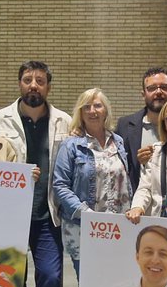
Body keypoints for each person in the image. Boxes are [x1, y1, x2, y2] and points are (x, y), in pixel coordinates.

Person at [0, 61, 72, 287]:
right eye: (27, 80)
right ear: (19, 84)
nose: (33, 85)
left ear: (48, 86)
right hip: (10, 213)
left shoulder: (64, 121)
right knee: (11, 279)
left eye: (40, 80)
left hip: (47, 214)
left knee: (50, 278)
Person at [53, 88, 133, 277]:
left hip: (118, 228)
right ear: (80, 113)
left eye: (97, 106)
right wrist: (87, 215)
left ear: (106, 110)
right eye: (86, 107)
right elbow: (60, 185)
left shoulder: (119, 142)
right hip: (84, 229)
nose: (92, 111)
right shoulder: (71, 145)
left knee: (118, 284)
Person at [117, 67, 167, 188]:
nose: (159, 92)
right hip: (139, 202)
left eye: (164, 87)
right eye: (152, 88)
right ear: (143, 94)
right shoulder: (125, 126)